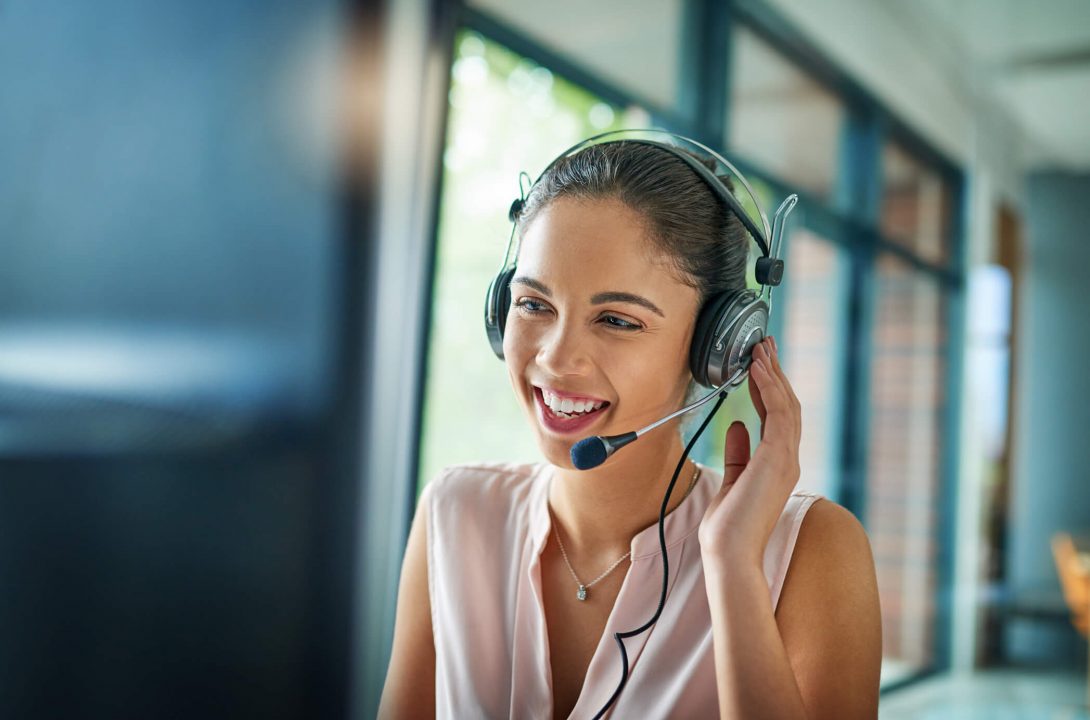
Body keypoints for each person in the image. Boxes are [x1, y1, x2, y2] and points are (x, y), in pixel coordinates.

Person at [379, 136, 882, 719]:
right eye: (533, 305)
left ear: (717, 347)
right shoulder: (456, 511)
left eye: (617, 319)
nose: (556, 359)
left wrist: (733, 567)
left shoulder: (813, 549)